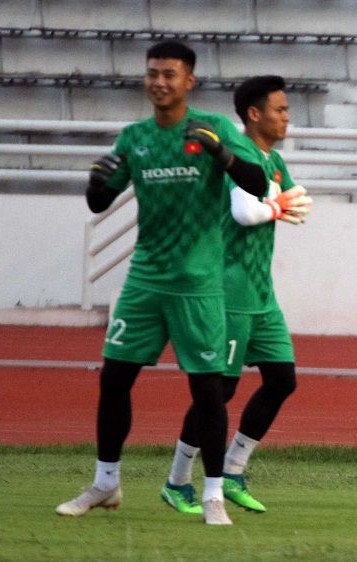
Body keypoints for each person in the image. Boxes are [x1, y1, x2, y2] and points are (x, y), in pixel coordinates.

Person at [55, 41, 269, 526]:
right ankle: (105, 484)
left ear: (189, 81)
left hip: (198, 284)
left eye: (169, 74)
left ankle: (212, 495)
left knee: (208, 391)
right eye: (153, 73)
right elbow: (98, 202)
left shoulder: (214, 128)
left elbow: (258, 184)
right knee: (114, 379)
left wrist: (222, 156)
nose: (159, 82)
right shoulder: (134, 137)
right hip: (146, 279)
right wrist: (95, 182)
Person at [161, 75, 312, 516]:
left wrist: (279, 205)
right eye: (279, 110)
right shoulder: (239, 154)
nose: (286, 118)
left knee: (282, 380)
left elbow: (291, 200)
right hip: (228, 292)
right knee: (219, 392)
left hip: (261, 294)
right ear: (254, 113)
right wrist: (277, 207)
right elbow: (245, 212)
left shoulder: (273, 159)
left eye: (287, 110)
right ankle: (177, 481)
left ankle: (233, 470)